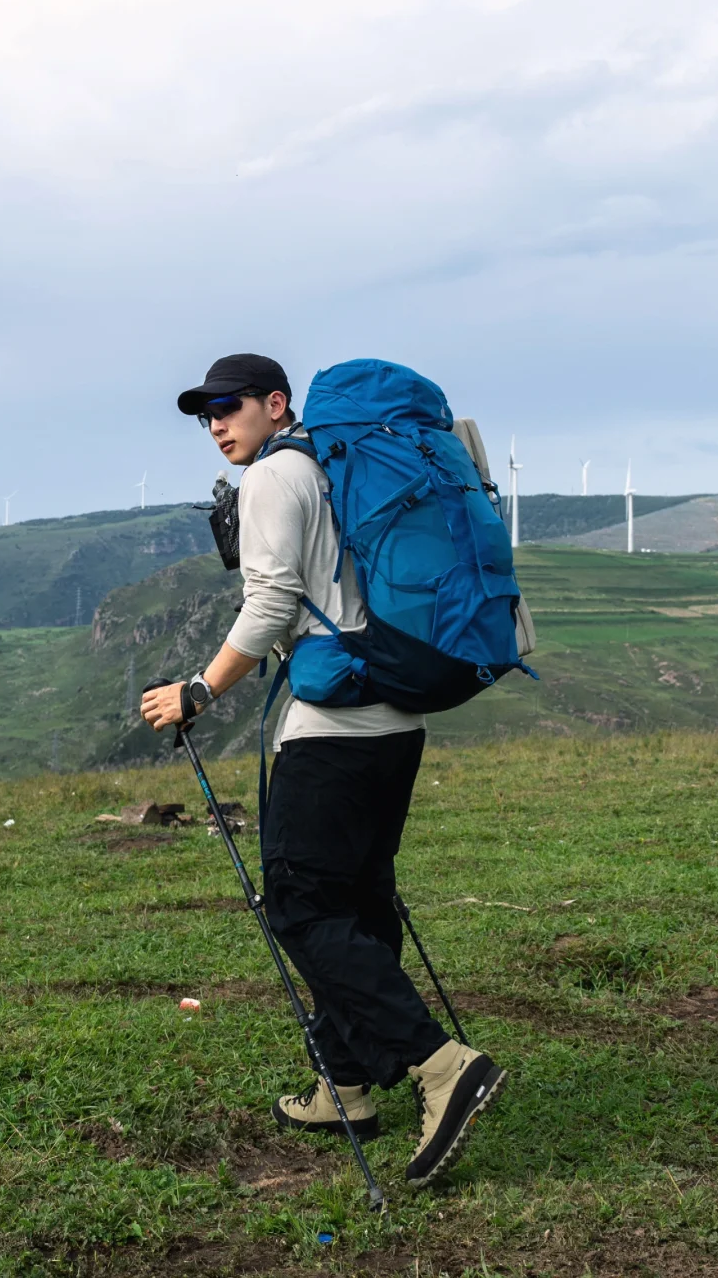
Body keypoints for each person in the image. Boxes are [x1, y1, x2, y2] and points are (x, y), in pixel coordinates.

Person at [140, 353, 506, 1187]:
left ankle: (439, 1065)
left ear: (276, 404)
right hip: (395, 720)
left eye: (228, 407)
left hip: (331, 731)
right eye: (205, 415)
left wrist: (198, 690)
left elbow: (269, 602)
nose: (217, 425)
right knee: (362, 904)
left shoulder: (277, 478)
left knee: (302, 908)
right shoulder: (342, 472)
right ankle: (343, 1085)